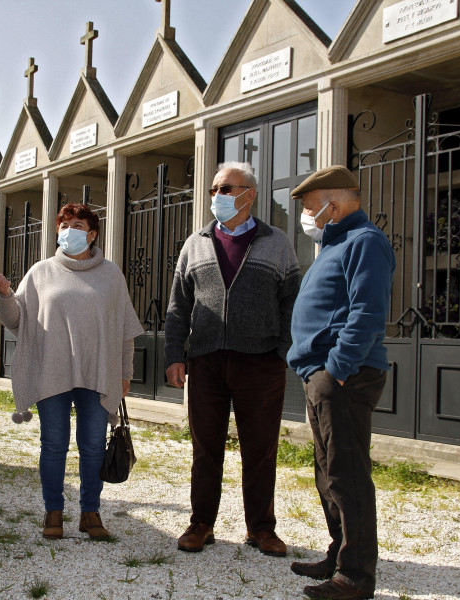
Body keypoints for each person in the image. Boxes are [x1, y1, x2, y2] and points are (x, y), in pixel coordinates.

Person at [164, 161, 300, 555]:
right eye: (213, 190)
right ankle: (201, 524)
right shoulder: (196, 243)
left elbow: (292, 302)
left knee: (260, 450)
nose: (217, 196)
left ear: (249, 194)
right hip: (206, 362)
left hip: (260, 363)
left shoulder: (277, 242)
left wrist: (281, 351)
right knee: (205, 449)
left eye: (226, 189)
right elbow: (178, 307)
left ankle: (261, 528)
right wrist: (176, 354)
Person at [0, 203, 144, 541]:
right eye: (63, 224)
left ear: (92, 234)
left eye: (76, 225)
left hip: (97, 373)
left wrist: (125, 373)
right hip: (52, 371)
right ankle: (53, 512)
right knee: (53, 444)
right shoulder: (41, 271)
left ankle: (90, 513)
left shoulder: (111, 274)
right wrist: (5, 296)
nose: (67, 230)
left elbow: (124, 329)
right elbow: (18, 321)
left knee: (92, 446)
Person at [286, 165, 396, 600]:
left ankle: (355, 577)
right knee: (328, 473)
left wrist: (338, 368)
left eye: (312, 206)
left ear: (335, 202)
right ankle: (338, 553)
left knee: (348, 474)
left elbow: (366, 313)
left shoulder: (365, 242)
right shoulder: (333, 244)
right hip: (320, 374)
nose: (308, 214)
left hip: (343, 376)